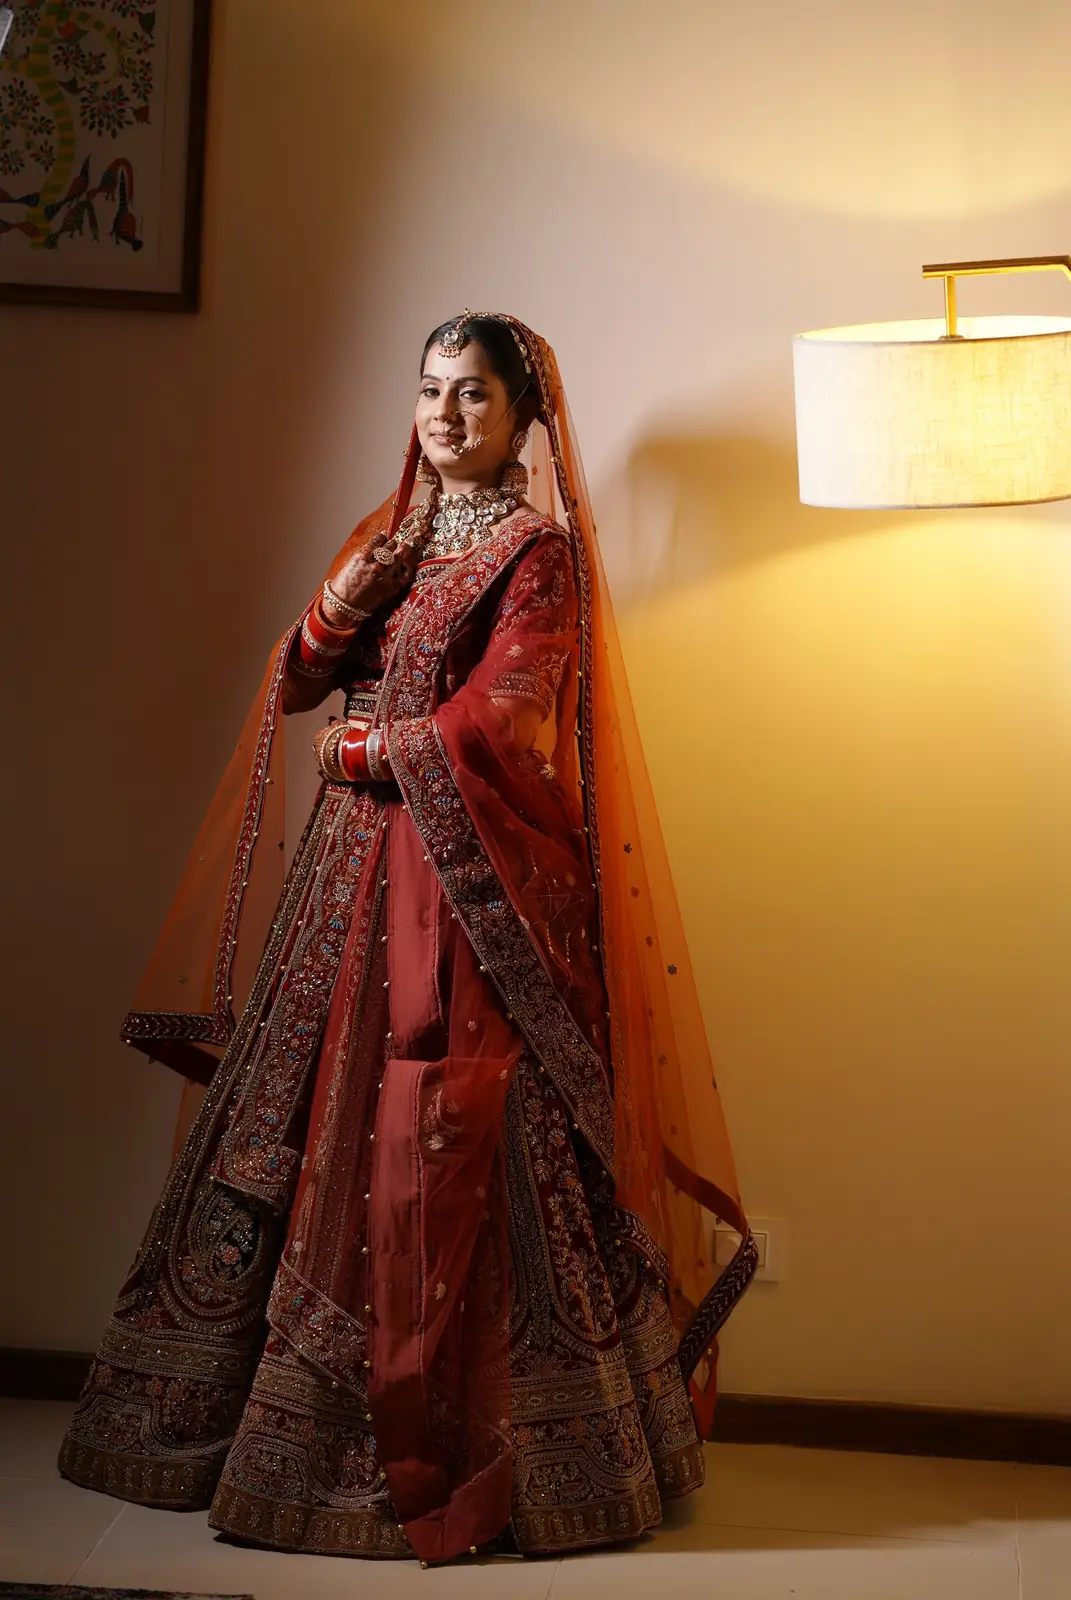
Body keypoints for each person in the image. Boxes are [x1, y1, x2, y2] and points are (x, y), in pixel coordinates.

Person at [59, 314, 756, 1565]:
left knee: (449, 1129)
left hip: (457, 884)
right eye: (430, 390)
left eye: (473, 394)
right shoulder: (388, 537)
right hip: (344, 882)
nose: (444, 415)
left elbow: (508, 719)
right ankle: (233, 1431)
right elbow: (302, 675)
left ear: (523, 417)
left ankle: (509, 1453)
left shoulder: (536, 553)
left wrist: (373, 751)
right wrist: (342, 599)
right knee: (296, 1115)